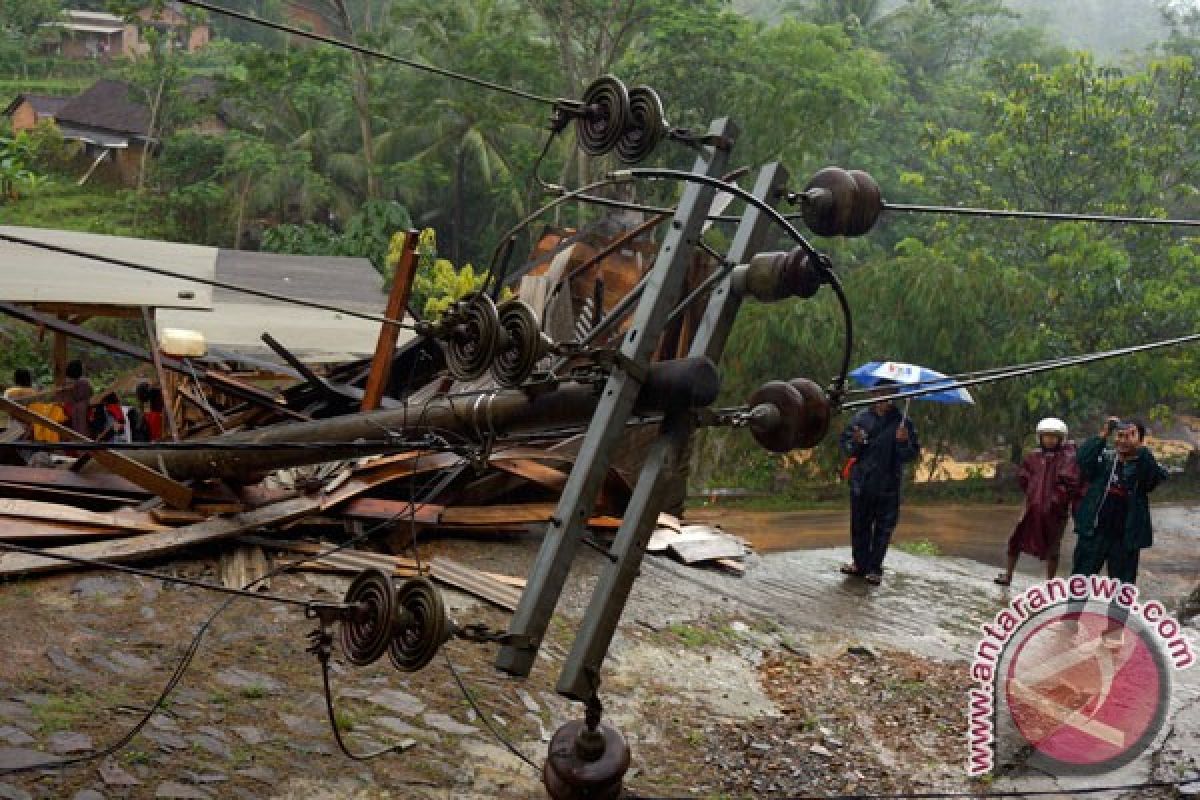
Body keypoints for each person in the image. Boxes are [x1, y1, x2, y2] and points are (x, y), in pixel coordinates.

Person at [838, 383, 921, 585]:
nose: (884, 398)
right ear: (872, 394)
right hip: (862, 482)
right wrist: (857, 442)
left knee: (883, 529)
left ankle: (875, 568)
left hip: (888, 484)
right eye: (880, 393)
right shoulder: (860, 418)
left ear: (894, 396)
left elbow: (910, 454)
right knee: (859, 525)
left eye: (889, 394)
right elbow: (848, 449)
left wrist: (902, 442)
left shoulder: (903, 422)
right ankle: (859, 564)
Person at [1070, 417, 1168, 585]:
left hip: (1126, 538)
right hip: (1094, 532)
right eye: (1120, 435)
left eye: (1130, 436)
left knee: (1122, 592)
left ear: (1141, 440)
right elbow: (1082, 460)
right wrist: (1103, 434)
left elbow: (1152, 479)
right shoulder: (1105, 459)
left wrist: (1141, 450)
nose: (1123, 440)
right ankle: (1074, 611)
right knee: (1079, 584)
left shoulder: (1144, 463)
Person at [994, 418, 1080, 586]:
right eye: (1046, 436)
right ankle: (1008, 575)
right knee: (1016, 540)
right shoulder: (1033, 457)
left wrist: (1057, 500)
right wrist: (1032, 496)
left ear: (1061, 438)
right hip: (1031, 507)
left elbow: (1071, 482)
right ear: (1039, 437)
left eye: (1053, 437)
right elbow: (1024, 478)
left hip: (1055, 512)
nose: (1049, 440)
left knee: (1053, 547)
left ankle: (1050, 582)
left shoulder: (1067, 458)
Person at [61, 359, 93, 438]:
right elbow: (87, 394)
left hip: (68, 408)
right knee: (81, 430)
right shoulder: (84, 382)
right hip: (81, 409)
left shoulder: (66, 382)